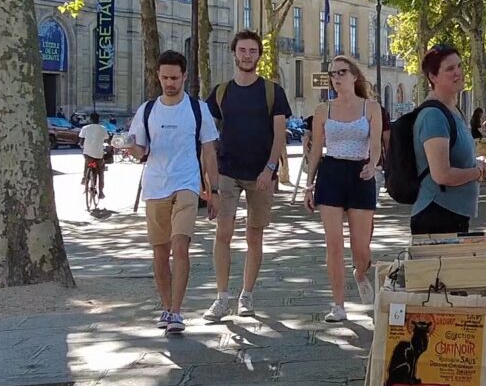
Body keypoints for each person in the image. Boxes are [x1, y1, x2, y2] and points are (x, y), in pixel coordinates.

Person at [120, 51, 218, 335]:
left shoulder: (198, 109)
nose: (169, 83)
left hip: (187, 184)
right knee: (160, 251)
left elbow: (209, 151)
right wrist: (128, 147)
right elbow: (140, 150)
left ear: (185, 77)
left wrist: (214, 190)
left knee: (180, 247)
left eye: (175, 78)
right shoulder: (147, 110)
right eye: (164, 77)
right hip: (155, 186)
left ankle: (176, 311)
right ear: (158, 77)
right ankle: (165, 306)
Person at [204, 31, 292, 320]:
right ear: (234, 53)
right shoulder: (220, 92)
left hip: (261, 174)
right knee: (223, 233)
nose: (247, 55)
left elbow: (280, 134)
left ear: (259, 56)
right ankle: (221, 297)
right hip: (227, 171)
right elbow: (205, 133)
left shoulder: (272, 91)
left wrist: (270, 169)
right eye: (242, 50)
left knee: (254, 236)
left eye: (252, 51)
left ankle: (247, 295)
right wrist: (209, 180)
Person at [302, 54, 385, 322]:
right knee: (333, 244)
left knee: (361, 248)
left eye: (341, 72)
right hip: (331, 173)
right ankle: (338, 304)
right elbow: (316, 151)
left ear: (354, 76)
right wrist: (308, 185)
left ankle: (360, 272)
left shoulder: (370, 108)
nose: (336, 78)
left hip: (360, 174)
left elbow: (375, 145)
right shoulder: (322, 111)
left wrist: (373, 164)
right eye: (333, 74)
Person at [410, 45, 486, 236]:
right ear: (433, 77)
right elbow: (442, 175)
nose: (458, 73)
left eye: (460, 66)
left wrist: (477, 163)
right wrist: (478, 172)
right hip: (437, 216)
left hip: (455, 215)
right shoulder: (433, 116)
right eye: (450, 69)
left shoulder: (453, 111)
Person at [78, 112, 112, 213]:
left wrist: (82, 145)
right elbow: (107, 139)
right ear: (98, 119)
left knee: (87, 162)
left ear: (90, 119)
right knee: (100, 171)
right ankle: (101, 192)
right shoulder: (102, 128)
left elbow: (81, 141)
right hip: (98, 154)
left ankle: (85, 177)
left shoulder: (85, 128)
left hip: (88, 153)